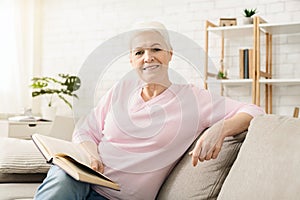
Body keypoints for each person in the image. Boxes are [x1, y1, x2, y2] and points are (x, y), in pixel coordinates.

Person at [34, 22, 264, 200]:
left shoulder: (193, 98)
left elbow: (254, 110)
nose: (148, 58)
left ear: (170, 55)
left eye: (156, 49)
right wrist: (91, 153)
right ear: (131, 60)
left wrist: (221, 128)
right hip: (79, 180)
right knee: (61, 178)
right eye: (139, 52)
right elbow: (86, 130)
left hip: (118, 196)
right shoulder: (121, 89)